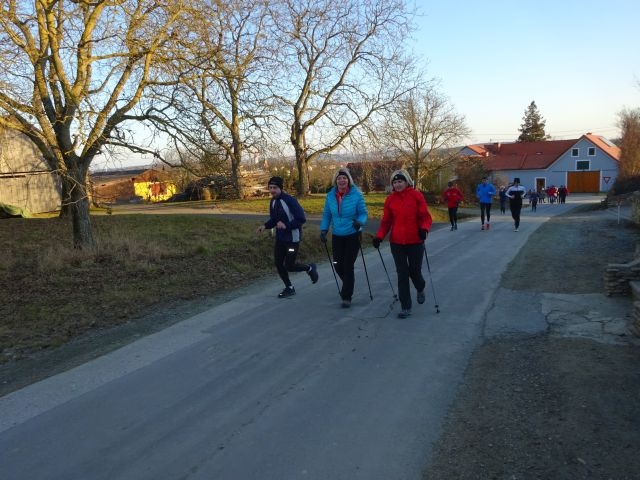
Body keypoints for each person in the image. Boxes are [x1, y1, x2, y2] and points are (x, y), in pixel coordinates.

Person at [372, 169, 433, 319]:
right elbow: (386, 222)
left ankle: (420, 287)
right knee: (402, 274)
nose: (397, 184)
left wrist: (424, 229)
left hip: (415, 240)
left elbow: (426, 217)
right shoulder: (390, 200)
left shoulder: (416, 196)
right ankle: (406, 306)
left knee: (415, 272)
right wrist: (379, 237)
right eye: (395, 182)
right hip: (397, 242)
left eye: (400, 181)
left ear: (407, 182)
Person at [256, 176, 318, 298]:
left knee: (289, 265)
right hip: (280, 238)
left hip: (292, 238)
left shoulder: (290, 200)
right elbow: (274, 219)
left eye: (275, 188)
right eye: (270, 188)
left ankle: (309, 268)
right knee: (278, 263)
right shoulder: (273, 201)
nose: (272, 190)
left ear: (280, 188)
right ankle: (289, 287)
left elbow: (301, 219)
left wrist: (286, 225)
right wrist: (265, 226)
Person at [320, 168, 368, 308]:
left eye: (344, 178)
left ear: (349, 180)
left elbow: (363, 213)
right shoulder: (330, 196)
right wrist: (323, 230)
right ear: (335, 181)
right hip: (337, 235)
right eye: (339, 178)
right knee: (337, 265)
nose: (342, 180)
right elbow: (327, 215)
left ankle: (346, 296)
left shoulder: (356, 194)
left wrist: (360, 222)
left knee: (348, 265)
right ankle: (348, 284)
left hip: (353, 234)